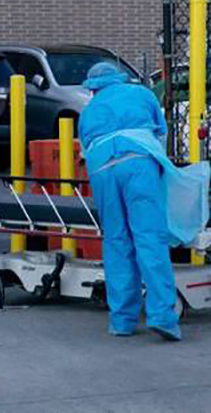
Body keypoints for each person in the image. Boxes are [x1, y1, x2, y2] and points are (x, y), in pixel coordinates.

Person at [79, 62, 209, 341]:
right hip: (138, 162)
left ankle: (122, 321)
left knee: (116, 241)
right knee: (149, 239)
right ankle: (163, 317)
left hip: (101, 168)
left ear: (93, 88)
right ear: (120, 79)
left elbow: (85, 148)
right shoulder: (142, 94)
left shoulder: (89, 110)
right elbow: (160, 133)